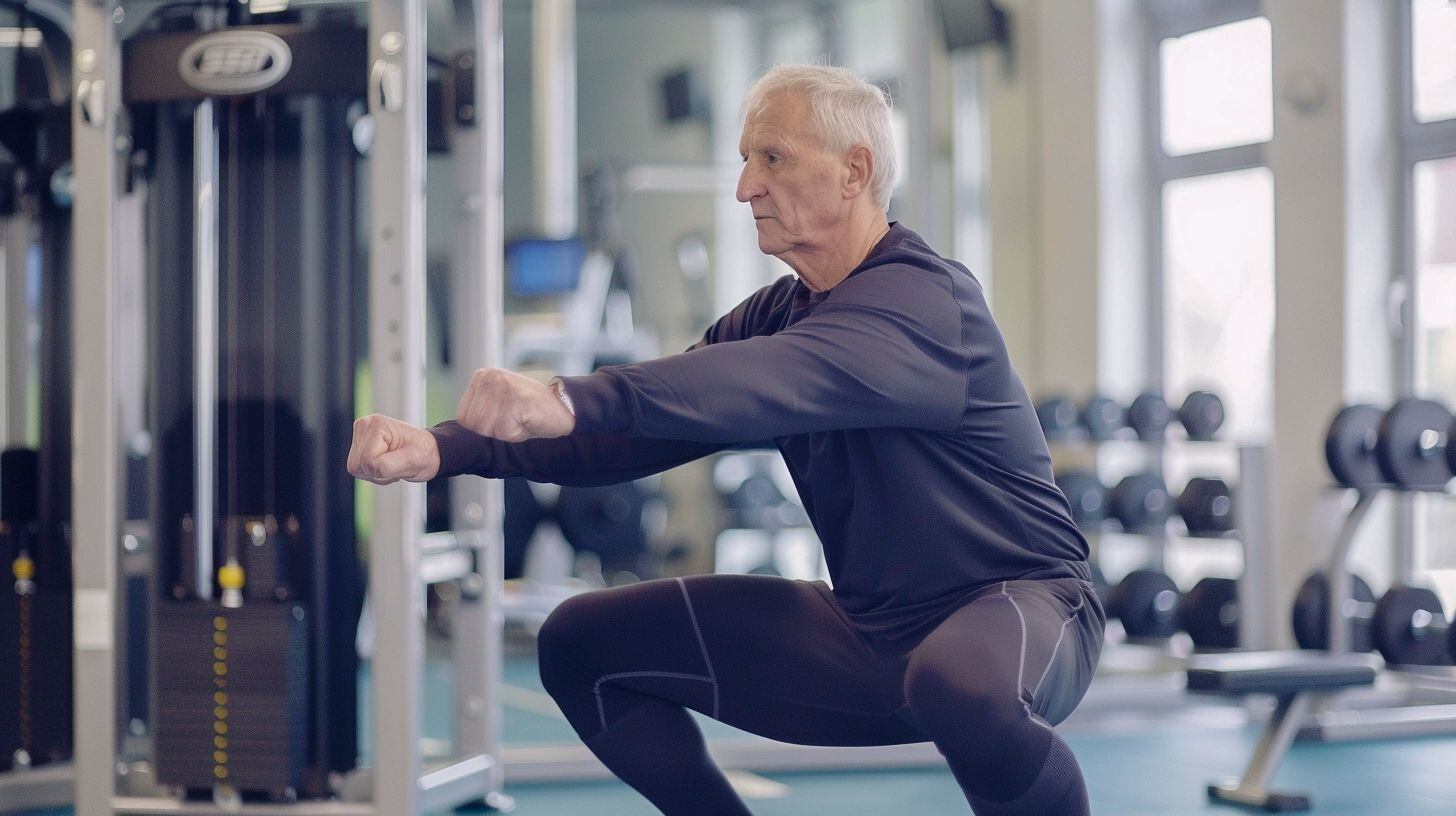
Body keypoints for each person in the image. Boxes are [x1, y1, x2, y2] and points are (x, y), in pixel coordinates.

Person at [348, 64, 1103, 816]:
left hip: (1024, 612)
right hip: (873, 632)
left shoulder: (925, 301)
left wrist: (563, 396)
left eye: (771, 158)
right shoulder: (779, 313)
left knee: (960, 683)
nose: (745, 188)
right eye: (744, 161)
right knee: (581, 643)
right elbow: (638, 433)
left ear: (855, 171)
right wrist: (447, 449)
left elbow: (763, 380)